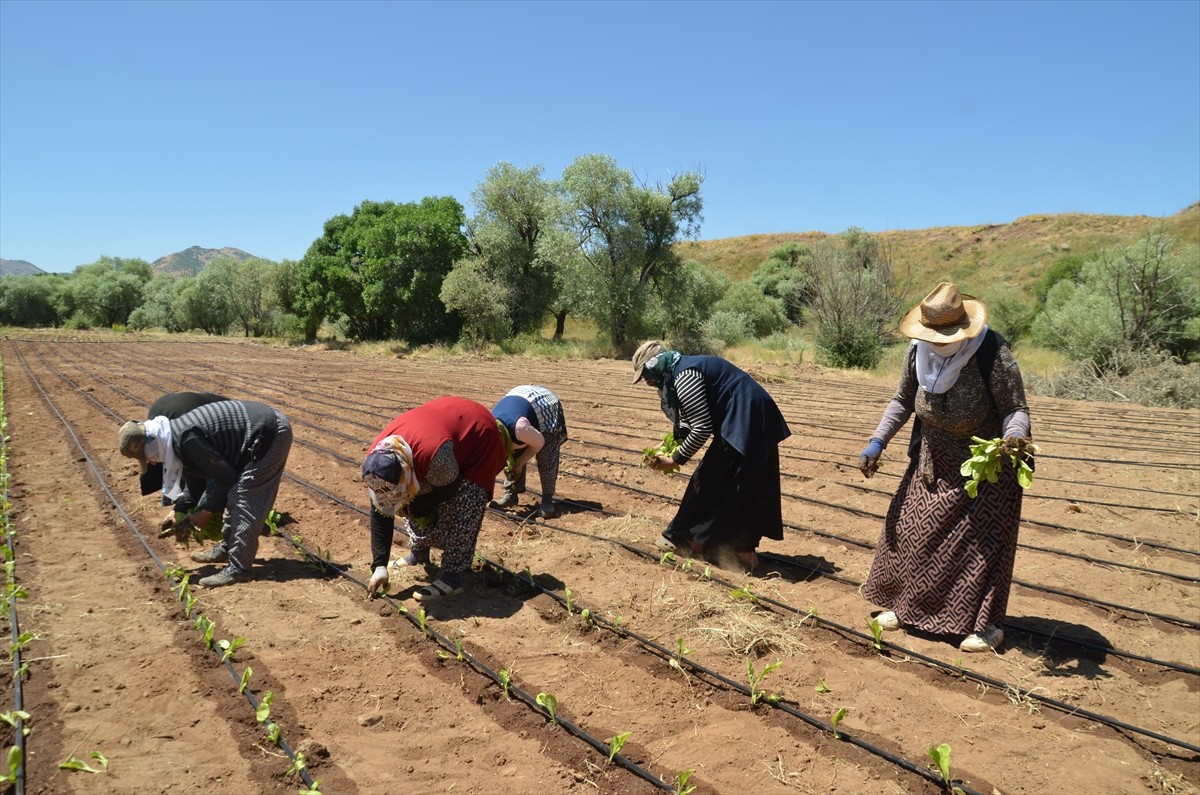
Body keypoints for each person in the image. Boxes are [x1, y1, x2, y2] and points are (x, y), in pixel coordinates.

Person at [855, 282, 1033, 653]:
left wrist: (1013, 438)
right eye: (931, 335)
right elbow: (903, 399)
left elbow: (1015, 407)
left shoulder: (992, 352)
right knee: (911, 533)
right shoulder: (917, 351)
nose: (936, 341)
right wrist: (877, 441)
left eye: (943, 335)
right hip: (932, 458)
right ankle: (906, 607)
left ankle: (987, 625)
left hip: (983, 467)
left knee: (978, 548)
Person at [632, 340, 792, 571]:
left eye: (646, 374)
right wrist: (666, 445)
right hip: (750, 417)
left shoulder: (684, 377)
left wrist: (675, 459)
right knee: (742, 483)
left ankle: (687, 540)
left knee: (709, 480)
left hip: (746, 419)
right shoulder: (681, 370)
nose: (647, 382)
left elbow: (701, 427)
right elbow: (689, 425)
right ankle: (740, 549)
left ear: (655, 365)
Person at [118, 399, 293, 587]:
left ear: (151, 445)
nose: (151, 462)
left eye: (147, 457)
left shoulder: (186, 440)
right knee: (230, 493)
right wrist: (178, 511)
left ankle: (239, 568)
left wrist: (205, 513)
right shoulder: (173, 440)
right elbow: (194, 483)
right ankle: (227, 548)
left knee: (242, 497)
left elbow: (225, 477)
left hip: (269, 433)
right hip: (250, 436)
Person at [362, 396, 507, 602]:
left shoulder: (435, 457)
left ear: (405, 471)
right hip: (441, 426)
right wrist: (379, 565)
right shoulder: (377, 465)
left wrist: (421, 506)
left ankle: (452, 577)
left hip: (479, 433)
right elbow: (381, 510)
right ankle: (419, 553)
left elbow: (450, 489)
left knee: (464, 500)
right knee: (408, 498)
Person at [490, 385, 569, 519]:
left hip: (545, 406)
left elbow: (539, 443)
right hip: (520, 400)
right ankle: (511, 494)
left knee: (546, 455)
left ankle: (547, 500)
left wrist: (520, 463)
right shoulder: (491, 425)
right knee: (512, 456)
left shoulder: (519, 428)